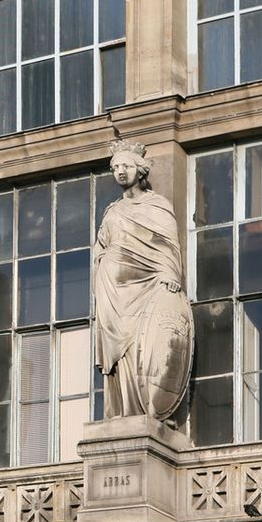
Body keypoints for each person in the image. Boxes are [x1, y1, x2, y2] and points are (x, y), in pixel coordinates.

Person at [93, 136, 193, 423]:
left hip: (148, 282)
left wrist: (171, 273)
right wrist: (102, 264)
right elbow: (101, 246)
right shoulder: (112, 211)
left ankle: (144, 408)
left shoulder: (157, 205)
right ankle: (122, 410)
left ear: (140, 169)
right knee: (120, 354)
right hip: (114, 288)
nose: (120, 172)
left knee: (142, 342)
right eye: (115, 168)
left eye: (125, 166)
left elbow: (168, 244)